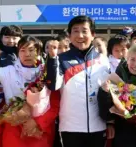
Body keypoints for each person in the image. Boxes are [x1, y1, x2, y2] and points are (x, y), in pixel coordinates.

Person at [0, 35, 60, 147]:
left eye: (31, 50)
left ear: (39, 52)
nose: (27, 54)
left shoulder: (49, 72)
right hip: (13, 130)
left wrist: (38, 122)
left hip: (39, 131)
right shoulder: (8, 72)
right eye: (22, 50)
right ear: (18, 52)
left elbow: (55, 103)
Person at [45, 15, 111, 147]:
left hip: (98, 126)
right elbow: (53, 86)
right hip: (70, 127)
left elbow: (109, 93)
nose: (80, 35)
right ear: (69, 35)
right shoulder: (60, 59)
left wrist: (110, 122)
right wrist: (52, 59)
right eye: (75, 31)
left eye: (84, 31)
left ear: (93, 35)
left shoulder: (103, 60)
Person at [98, 44, 136, 147]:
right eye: (132, 59)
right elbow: (105, 113)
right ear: (127, 60)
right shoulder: (115, 80)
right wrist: (104, 92)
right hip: (122, 135)